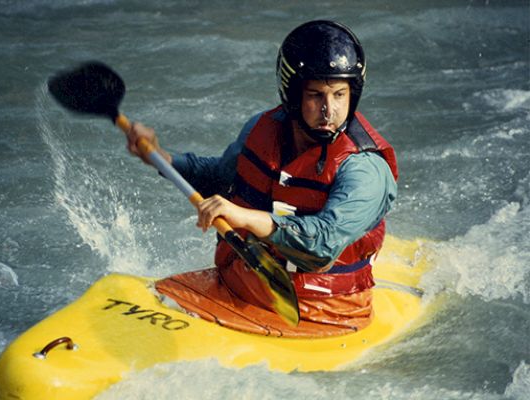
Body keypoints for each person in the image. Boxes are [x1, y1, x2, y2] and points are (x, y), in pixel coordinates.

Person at [123, 20, 398, 338]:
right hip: (237, 285)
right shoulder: (263, 127)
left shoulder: (364, 168)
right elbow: (222, 178)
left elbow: (321, 245)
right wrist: (160, 157)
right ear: (293, 94)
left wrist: (242, 217)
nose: (328, 110)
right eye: (315, 95)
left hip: (321, 315)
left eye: (339, 95)